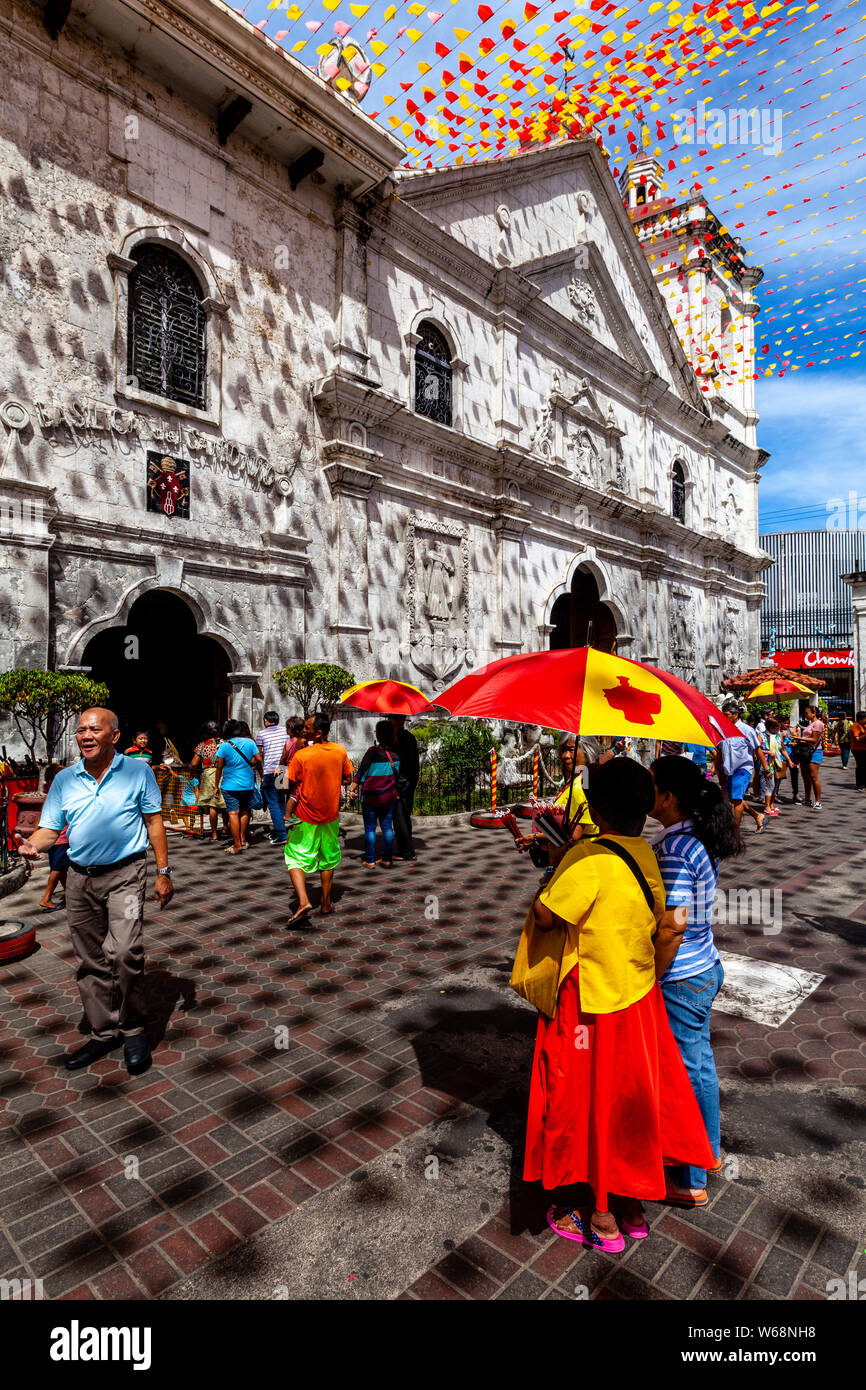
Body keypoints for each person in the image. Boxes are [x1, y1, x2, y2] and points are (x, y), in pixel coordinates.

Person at [520, 758, 715, 1252]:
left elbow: (546, 918)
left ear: (597, 807)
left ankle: (601, 1219)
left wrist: (560, 865)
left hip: (589, 1002)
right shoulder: (646, 854)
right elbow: (666, 921)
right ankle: (630, 1208)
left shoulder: (587, 858)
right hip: (639, 996)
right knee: (630, 1101)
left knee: (586, 1103)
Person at [14, 707, 172, 1076]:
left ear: (114, 736)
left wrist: (164, 872)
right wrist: (32, 845)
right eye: (81, 729)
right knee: (90, 959)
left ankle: (132, 1028)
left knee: (125, 951)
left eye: (94, 729)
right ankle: (103, 1032)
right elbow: (50, 829)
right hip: (79, 878)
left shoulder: (138, 770)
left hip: (126, 875)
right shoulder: (65, 779)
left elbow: (153, 821)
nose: (85, 735)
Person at [651, 756, 742, 1205]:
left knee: (686, 1073)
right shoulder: (693, 837)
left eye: (651, 786)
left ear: (667, 797)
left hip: (682, 973)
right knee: (699, 1067)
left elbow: (673, 923)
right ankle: (707, 1154)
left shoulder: (673, 849)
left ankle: (691, 1180)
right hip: (703, 965)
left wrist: (653, 972)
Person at [284, 713, 353, 923]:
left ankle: (304, 901)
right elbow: (349, 777)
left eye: (307, 728)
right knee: (328, 858)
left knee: (294, 856)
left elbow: (286, 782)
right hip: (330, 816)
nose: (303, 730)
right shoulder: (339, 750)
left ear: (318, 733)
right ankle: (325, 903)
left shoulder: (302, 756)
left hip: (305, 816)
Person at [518, 734, 597, 868]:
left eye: (571, 750)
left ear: (587, 751)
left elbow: (573, 835)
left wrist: (535, 837)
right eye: (563, 750)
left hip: (577, 858)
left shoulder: (581, 785)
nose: (565, 756)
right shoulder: (584, 779)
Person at [352, 719, 401, 868]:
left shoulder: (372, 752)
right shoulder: (397, 755)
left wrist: (352, 789)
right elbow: (397, 776)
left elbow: (361, 772)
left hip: (370, 797)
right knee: (387, 827)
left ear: (378, 735)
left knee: (370, 829)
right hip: (389, 796)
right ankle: (386, 859)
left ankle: (370, 860)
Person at [213, 718, 262, 854]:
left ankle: (236, 845)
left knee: (233, 813)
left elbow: (219, 766)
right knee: (245, 811)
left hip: (230, 785)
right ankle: (242, 839)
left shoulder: (224, 745)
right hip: (247, 783)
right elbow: (259, 759)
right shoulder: (250, 742)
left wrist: (216, 785)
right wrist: (248, 765)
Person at [717, 700, 766, 833]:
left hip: (743, 768)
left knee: (736, 801)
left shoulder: (747, 730)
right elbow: (720, 750)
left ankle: (734, 832)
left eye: (727, 714)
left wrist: (766, 768)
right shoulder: (722, 730)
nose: (724, 716)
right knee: (729, 799)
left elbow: (758, 749)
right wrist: (716, 767)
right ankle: (757, 815)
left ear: (735, 714)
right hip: (729, 769)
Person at [387, 714, 419, 863]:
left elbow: (401, 763)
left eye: (389, 719)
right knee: (403, 817)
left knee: (400, 817)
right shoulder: (409, 737)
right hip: (408, 783)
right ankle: (405, 849)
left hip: (402, 784)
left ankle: (406, 851)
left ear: (395, 721)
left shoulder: (400, 739)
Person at [189, 721, 227, 842]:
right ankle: (226, 828)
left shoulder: (202, 745)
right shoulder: (225, 743)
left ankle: (215, 834)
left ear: (205, 733)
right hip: (224, 774)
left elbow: (194, 764)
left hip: (208, 775)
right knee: (225, 803)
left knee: (213, 806)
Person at [256, 710, 288, 846]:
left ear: (265, 721)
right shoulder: (285, 732)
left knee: (273, 804)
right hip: (284, 771)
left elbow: (258, 755)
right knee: (281, 801)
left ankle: (281, 834)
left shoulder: (261, 734)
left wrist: (261, 773)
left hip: (270, 771)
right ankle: (282, 830)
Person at [797, 704, 825, 810]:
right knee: (806, 777)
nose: (805, 715)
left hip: (814, 752)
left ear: (813, 713)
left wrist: (798, 737)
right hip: (805, 751)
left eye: (807, 713)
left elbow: (814, 739)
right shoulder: (811, 723)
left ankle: (818, 801)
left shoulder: (818, 724)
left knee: (813, 777)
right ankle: (807, 799)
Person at [851, 711, 866, 792]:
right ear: (861, 719)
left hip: (864, 748)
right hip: (858, 749)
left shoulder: (864, 725)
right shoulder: (856, 726)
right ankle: (860, 784)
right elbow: (857, 738)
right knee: (861, 766)